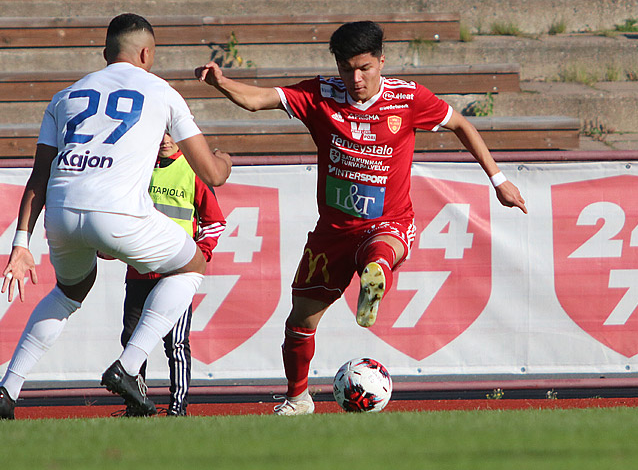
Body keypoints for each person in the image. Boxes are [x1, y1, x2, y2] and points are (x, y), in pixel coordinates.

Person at [195, 20, 527, 415]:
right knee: (299, 321)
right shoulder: (320, 95)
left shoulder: (407, 98)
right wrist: (221, 82)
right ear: (337, 65)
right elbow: (257, 99)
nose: (356, 78)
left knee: (380, 251)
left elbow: (459, 123)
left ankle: (376, 277)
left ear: (381, 61)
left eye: (365, 68)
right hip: (333, 232)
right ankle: (297, 398)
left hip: (388, 223)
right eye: (347, 68)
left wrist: (498, 179)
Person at [0, 13, 232, 420]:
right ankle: (128, 367)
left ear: (106, 54)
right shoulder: (162, 91)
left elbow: (38, 176)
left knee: (69, 292)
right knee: (191, 264)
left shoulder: (65, 96)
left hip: (61, 214)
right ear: (147, 53)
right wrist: (226, 159)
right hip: (118, 213)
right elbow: (213, 175)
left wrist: (20, 244)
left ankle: (7, 391)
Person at [118, 131, 226, 416]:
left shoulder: (192, 171)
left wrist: (199, 255)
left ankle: (178, 409)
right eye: (159, 133)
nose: (165, 140)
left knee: (176, 343)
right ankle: (136, 406)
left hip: (177, 275)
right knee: (131, 338)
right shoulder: (137, 170)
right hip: (140, 272)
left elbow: (215, 222)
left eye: (170, 133)